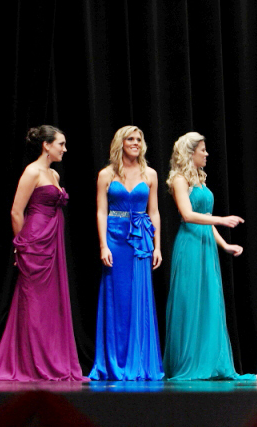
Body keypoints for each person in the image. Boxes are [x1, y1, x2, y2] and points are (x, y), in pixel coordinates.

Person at [0, 125, 86, 381]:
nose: (64, 149)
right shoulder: (32, 171)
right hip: (35, 241)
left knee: (50, 306)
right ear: (46, 145)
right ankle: (30, 364)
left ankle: (51, 360)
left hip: (53, 241)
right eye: (61, 144)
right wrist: (22, 245)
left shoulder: (53, 174)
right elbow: (16, 211)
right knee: (33, 303)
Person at [163, 132, 252, 380]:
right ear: (190, 152)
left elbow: (206, 219)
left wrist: (225, 245)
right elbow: (188, 215)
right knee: (190, 301)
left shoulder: (200, 180)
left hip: (206, 246)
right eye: (202, 149)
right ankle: (189, 362)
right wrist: (222, 220)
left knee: (209, 302)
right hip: (190, 244)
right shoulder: (180, 179)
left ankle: (210, 362)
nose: (207, 153)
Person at [89, 126, 163, 381]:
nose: (135, 143)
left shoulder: (150, 174)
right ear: (120, 143)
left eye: (139, 139)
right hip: (115, 237)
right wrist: (103, 245)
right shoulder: (106, 174)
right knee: (117, 299)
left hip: (140, 239)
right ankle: (115, 361)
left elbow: (154, 212)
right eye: (130, 139)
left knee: (139, 297)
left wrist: (157, 246)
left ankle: (139, 360)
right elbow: (101, 211)